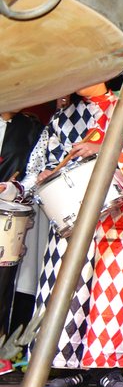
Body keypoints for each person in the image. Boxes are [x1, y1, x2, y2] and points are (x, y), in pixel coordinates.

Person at [23, 80, 123, 387]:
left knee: (112, 289)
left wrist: (101, 149)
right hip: (72, 212)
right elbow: (50, 160)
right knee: (68, 286)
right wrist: (47, 175)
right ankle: (69, 366)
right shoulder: (63, 116)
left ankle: (109, 367)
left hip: (115, 214)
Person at [0, 110, 41, 344]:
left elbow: (34, 174)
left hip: (6, 215)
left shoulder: (30, 128)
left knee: (2, 286)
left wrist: (13, 189)